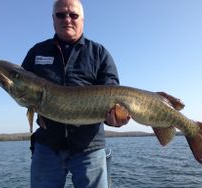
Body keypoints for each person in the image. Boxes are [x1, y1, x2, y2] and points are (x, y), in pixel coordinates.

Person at [21, 0, 130, 187]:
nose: (67, 19)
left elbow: (112, 94)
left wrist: (116, 117)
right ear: (53, 19)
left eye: (73, 15)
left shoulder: (99, 53)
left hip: (89, 148)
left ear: (83, 20)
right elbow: (24, 87)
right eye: (61, 15)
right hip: (47, 147)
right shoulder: (37, 52)